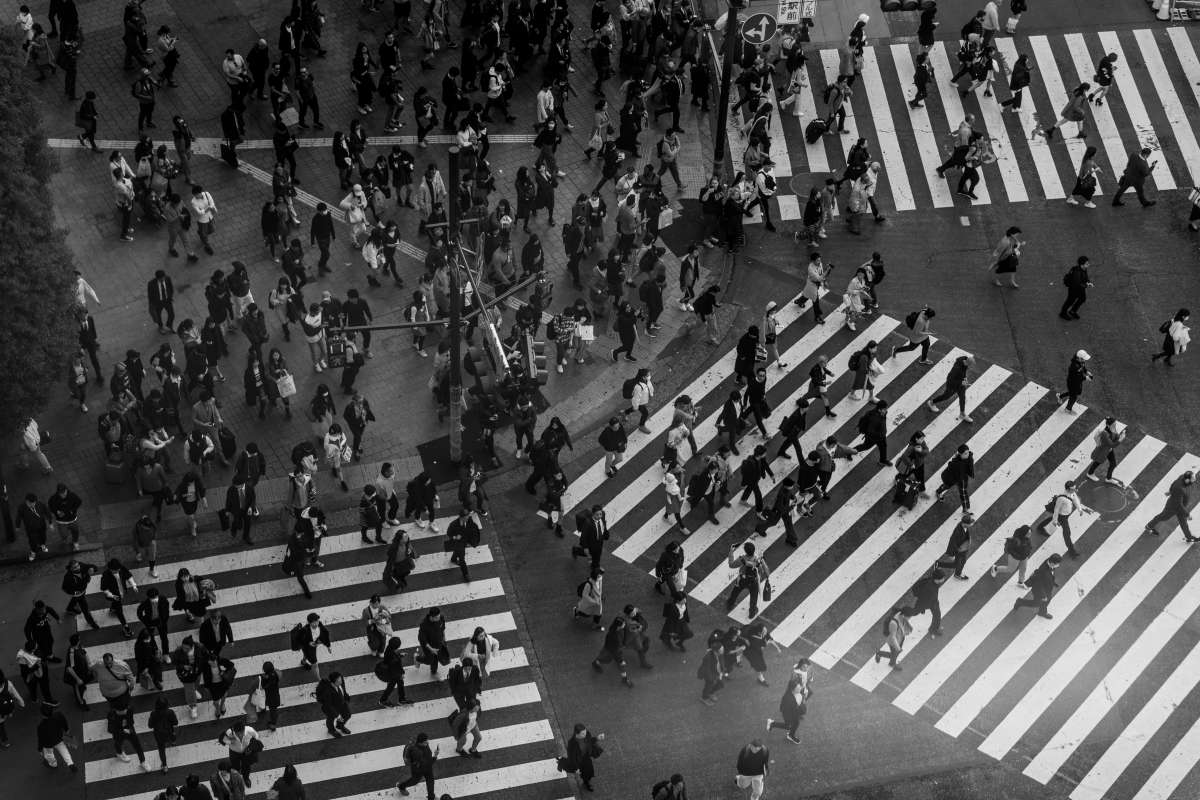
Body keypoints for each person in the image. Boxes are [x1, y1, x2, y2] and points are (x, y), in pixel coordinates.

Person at [1144, 470, 1197, 543]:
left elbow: (1173, 484)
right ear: (1187, 480)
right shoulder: (1179, 488)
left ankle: (1189, 537)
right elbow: (1178, 504)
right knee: (1163, 517)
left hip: (1181, 506)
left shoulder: (1182, 477)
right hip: (1173, 507)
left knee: (1183, 522)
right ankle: (1149, 526)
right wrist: (1187, 514)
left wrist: (1171, 491)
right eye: (1193, 478)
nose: (1195, 479)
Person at [1013, 554, 1063, 619]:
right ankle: (1020, 602)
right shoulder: (1043, 571)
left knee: (1047, 600)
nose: (1058, 565)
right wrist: (1043, 596)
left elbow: (1050, 574)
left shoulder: (1049, 562)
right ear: (1052, 563)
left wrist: (1052, 582)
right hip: (1039, 591)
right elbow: (1039, 585)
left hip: (1047, 588)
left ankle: (1042, 612)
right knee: (1036, 603)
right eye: (1057, 564)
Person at [561, 723, 605, 792]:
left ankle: (587, 780)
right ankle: (586, 783)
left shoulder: (587, 734)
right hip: (579, 761)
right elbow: (571, 757)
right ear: (577, 734)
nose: (585, 734)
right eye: (583, 733)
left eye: (585, 732)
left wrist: (597, 738)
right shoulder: (572, 743)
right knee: (584, 774)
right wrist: (576, 768)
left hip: (586, 757)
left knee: (590, 771)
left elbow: (589, 741)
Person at [218, 720, 260, 785]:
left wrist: (251, 747)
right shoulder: (229, 732)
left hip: (246, 752)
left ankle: (246, 778)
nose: (240, 735)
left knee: (246, 766)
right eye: (237, 734)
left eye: (241, 733)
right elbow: (221, 739)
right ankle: (235, 779)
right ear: (234, 731)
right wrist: (230, 741)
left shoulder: (249, 730)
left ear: (244, 729)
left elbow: (256, 736)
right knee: (235, 767)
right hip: (234, 752)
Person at [396, 732, 438, 797]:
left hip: (425, 767)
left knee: (430, 782)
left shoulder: (424, 745)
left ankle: (431, 797)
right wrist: (435, 756)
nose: (427, 742)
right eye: (425, 742)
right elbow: (427, 763)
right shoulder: (417, 753)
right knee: (415, 781)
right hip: (419, 770)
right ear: (420, 742)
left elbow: (427, 758)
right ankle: (401, 786)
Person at [108, 705, 149, 769]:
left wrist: (129, 728)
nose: (125, 712)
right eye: (122, 711)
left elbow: (131, 721)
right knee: (118, 742)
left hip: (129, 730)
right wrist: (122, 730)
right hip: (118, 733)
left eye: (125, 710)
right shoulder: (112, 714)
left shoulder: (129, 710)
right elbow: (110, 729)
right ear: (117, 710)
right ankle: (119, 753)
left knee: (138, 746)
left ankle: (143, 761)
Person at [38, 701, 75, 771]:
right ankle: (70, 763)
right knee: (64, 750)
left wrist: (40, 749)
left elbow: (41, 739)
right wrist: (67, 730)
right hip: (59, 738)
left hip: (48, 743)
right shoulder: (59, 715)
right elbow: (64, 723)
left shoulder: (41, 726)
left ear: (42, 715)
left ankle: (53, 764)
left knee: (49, 754)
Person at [315, 671, 352, 737]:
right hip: (331, 708)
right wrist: (338, 716)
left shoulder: (340, 682)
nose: (341, 681)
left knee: (347, 715)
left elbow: (343, 689)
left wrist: (345, 695)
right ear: (333, 682)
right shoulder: (327, 692)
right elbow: (328, 705)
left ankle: (339, 726)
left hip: (341, 703)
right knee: (330, 719)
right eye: (339, 681)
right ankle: (331, 730)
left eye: (341, 679)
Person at [149, 695, 178, 773]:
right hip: (169, 731)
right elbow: (175, 722)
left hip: (159, 735)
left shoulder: (153, 714)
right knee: (172, 736)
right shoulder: (170, 712)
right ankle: (173, 742)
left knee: (161, 750)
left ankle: (165, 766)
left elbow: (150, 725)